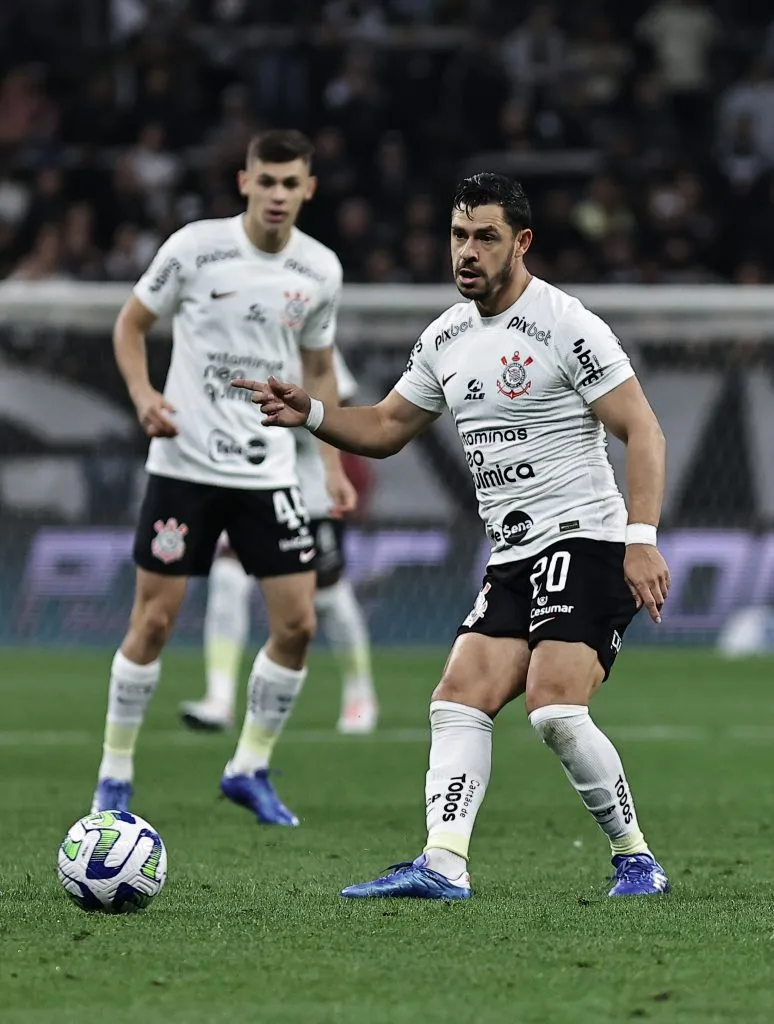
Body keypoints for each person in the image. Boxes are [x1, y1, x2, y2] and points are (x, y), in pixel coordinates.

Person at [233, 172, 672, 897]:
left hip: (585, 539)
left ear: (521, 242)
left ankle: (637, 861)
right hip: (514, 553)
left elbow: (643, 429)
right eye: (459, 236)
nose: (467, 252)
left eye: (485, 238)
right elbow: (382, 427)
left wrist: (641, 535)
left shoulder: (566, 324)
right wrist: (311, 410)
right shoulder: (446, 335)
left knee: (556, 707)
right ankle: (443, 864)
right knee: (457, 697)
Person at [91, 129, 356, 826]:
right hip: (183, 464)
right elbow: (129, 325)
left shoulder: (320, 270)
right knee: (153, 621)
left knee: (297, 623)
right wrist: (144, 395)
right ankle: (113, 777)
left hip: (267, 471)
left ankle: (249, 766)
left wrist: (328, 460)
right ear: (244, 182)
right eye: (264, 181)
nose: (276, 195)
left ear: (308, 189)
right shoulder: (193, 248)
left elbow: (320, 367)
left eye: (289, 183)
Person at [179, 346, 378, 735]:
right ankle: (219, 699)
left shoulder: (311, 341)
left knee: (327, 593)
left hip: (310, 488)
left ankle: (360, 694)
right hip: (253, 481)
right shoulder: (234, 342)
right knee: (228, 575)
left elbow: (345, 408)